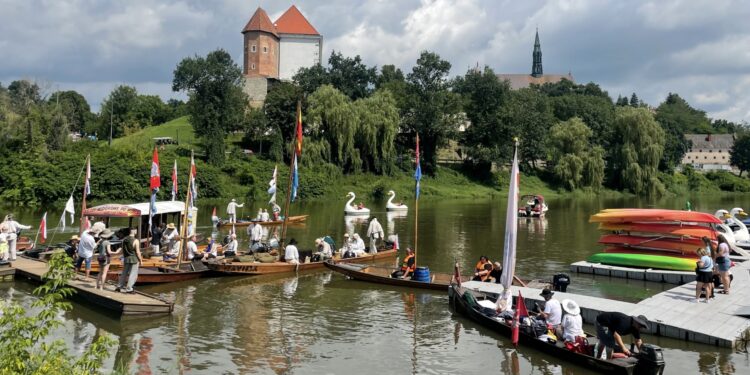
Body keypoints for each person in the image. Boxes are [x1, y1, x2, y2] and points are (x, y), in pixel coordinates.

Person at [117, 228, 142, 293]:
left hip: (126, 258)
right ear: (134, 232)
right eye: (136, 230)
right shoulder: (136, 240)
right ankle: (129, 288)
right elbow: (138, 252)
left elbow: (122, 250)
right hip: (134, 259)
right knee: (133, 274)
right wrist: (141, 260)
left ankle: (119, 286)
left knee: (124, 273)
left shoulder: (124, 240)